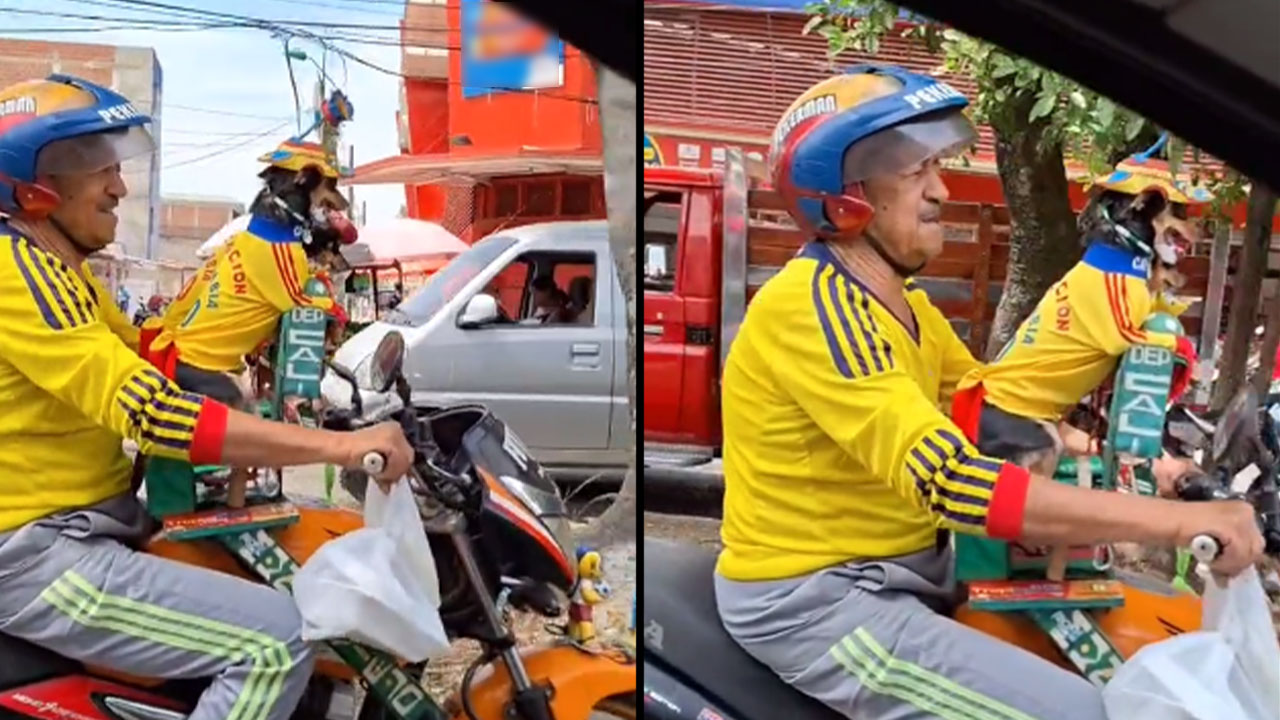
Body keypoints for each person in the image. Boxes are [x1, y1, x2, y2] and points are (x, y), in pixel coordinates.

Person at [712, 66, 1263, 720]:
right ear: (842, 191)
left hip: (912, 570)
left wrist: (1152, 465)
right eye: (914, 172)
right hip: (817, 603)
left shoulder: (907, 308)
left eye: (936, 169)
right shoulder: (814, 310)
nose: (941, 190)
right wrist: (1179, 525)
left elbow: (991, 406)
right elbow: (952, 481)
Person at [0, 74, 414, 720]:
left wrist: (263, 408)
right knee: (275, 639)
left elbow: (152, 354)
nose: (119, 186)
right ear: (35, 185)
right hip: (34, 553)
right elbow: (156, 413)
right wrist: (342, 447)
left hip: (92, 522)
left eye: (117, 165)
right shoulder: (16, 273)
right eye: (96, 168)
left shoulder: (64, 274)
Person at [952, 142, 1205, 476]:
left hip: (1019, 409)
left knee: (1061, 461)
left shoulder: (1117, 275)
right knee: (1039, 478)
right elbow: (1121, 337)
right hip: (1011, 409)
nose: (1190, 230)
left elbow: (1145, 314)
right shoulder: (1111, 279)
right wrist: (1179, 348)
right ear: (1141, 209)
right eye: (1176, 214)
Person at [144, 139, 356, 407]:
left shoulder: (244, 242)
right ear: (304, 180)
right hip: (202, 365)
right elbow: (296, 301)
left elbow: (193, 291)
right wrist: (335, 310)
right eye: (331, 186)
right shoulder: (277, 250)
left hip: (188, 357)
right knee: (248, 430)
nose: (338, 202)